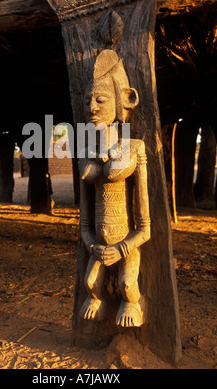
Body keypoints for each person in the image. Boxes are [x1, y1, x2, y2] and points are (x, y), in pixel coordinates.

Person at [79, 49, 151, 327]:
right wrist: (93, 246)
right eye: (88, 101)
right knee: (90, 284)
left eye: (100, 99)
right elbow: (84, 222)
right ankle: (96, 301)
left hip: (126, 244)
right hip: (98, 244)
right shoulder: (85, 153)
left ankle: (133, 305)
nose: (92, 108)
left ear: (125, 100)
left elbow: (146, 227)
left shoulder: (134, 149)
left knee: (127, 286)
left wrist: (121, 250)